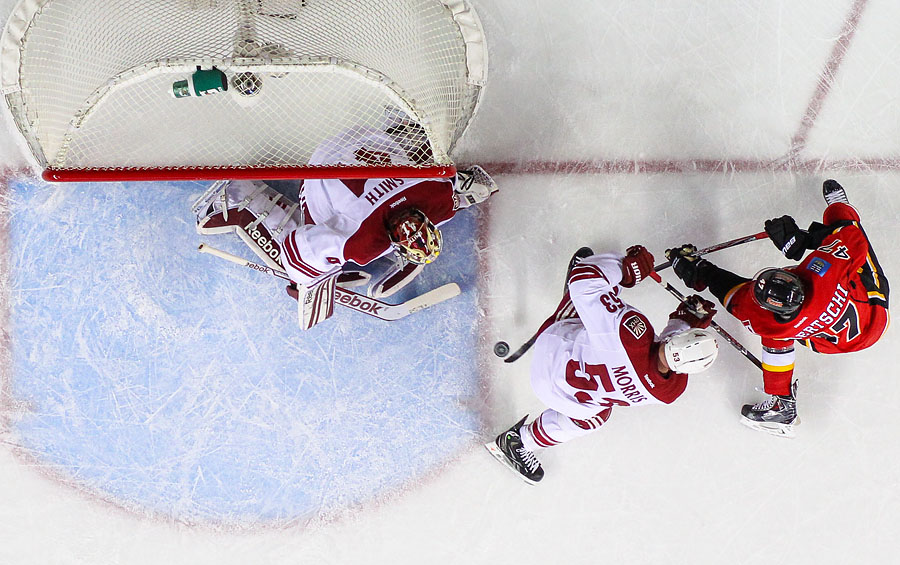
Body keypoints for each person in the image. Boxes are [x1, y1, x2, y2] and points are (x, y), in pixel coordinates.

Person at [192, 118, 498, 328]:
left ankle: (400, 125)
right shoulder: (362, 243)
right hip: (320, 167)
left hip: (364, 136)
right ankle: (239, 195)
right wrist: (307, 279)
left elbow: (459, 182)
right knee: (296, 255)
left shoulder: (438, 196)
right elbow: (295, 247)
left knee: (424, 169)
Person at [665, 180, 889, 437]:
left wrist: (701, 272)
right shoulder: (825, 270)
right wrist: (803, 240)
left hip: (829, 340)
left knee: (776, 339)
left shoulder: (769, 322)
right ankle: (840, 206)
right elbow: (853, 236)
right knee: (847, 228)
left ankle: (782, 405)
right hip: (874, 313)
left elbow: (734, 294)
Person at [486, 246, 720, 484]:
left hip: (553, 348)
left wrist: (625, 269)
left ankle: (589, 276)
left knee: (600, 294)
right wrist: (683, 322)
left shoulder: (631, 333)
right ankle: (519, 442)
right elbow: (662, 362)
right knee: (598, 416)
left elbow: (583, 283)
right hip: (561, 396)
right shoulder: (669, 392)